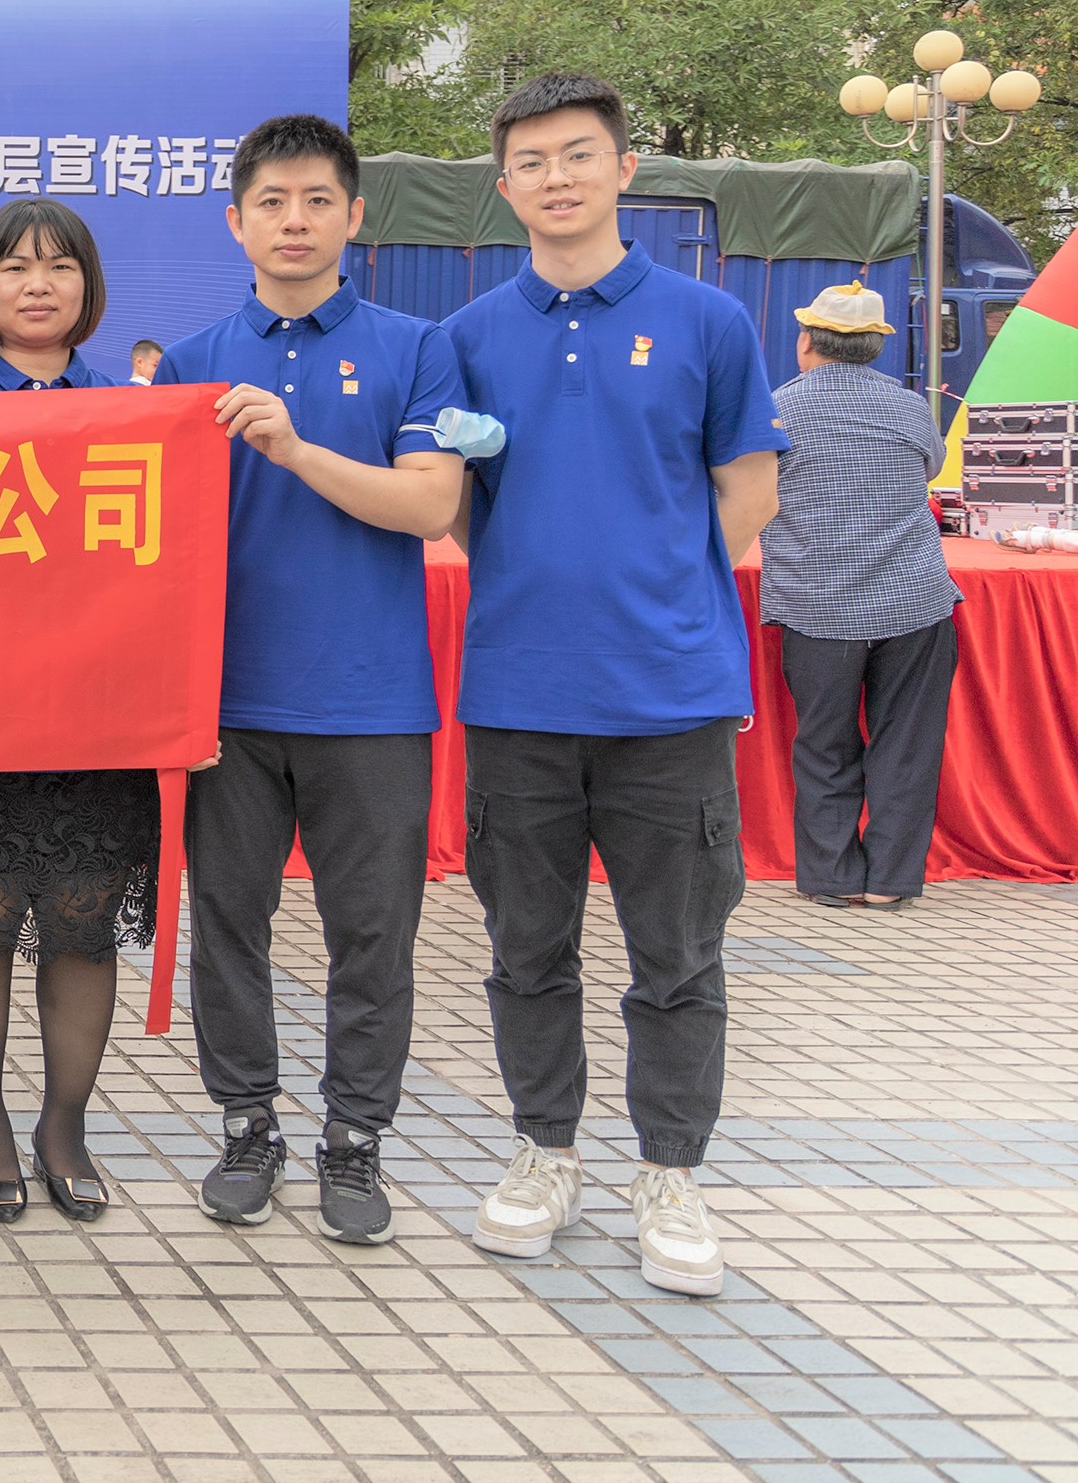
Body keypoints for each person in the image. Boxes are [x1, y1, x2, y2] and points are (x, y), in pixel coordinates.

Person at [445, 72, 783, 1300]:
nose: (557, 177)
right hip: (519, 696)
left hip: (669, 699)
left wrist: (659, 586)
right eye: (531, 161)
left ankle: (671, 1171)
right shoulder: (469, 336)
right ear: (505, 186)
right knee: (524, 948)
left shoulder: (708, 321)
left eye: (579, 153)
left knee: (678, 953)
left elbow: (750, 489)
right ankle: (545, 1151)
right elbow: (462, 507)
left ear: (625, 167)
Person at [154, 114, 466, 1246]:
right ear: (235, 222)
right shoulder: (189, 363)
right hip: (226, 703)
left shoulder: (417, 348)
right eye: (272, 202)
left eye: (317, 200)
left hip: (371, 698)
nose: (295, 221)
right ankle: (247, 1123)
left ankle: (355, 1135)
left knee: (371, 934)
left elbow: (431, 505)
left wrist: (292, 448)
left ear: (354, 216)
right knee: (228, 924)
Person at [0, 199, 158, 1225]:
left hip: (98, 710)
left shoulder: (139, 414)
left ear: (87, 288)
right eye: (14, 266)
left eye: (60, 266)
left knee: (82, 928)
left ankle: (65, 1124)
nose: (37, 284)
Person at [761, 283, 959, 911]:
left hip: (816, 604)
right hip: (913, 599)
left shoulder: (776, 409)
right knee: (908, 741)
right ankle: (890, 881)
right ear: (876, 347)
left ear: (806, 342)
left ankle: (831, 876)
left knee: (824, 742)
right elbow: (931, 469)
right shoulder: (909, 408)